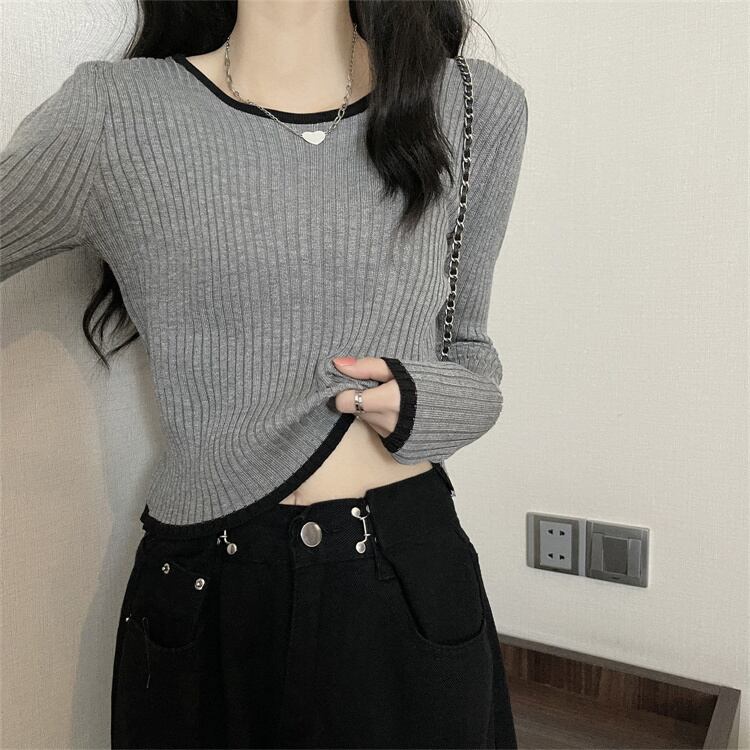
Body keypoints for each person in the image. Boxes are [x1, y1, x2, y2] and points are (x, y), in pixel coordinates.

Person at [0, 1, 528, 747]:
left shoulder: (470, 105)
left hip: (403, 581)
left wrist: (418, 401)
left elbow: (472, 357)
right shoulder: (114, 113)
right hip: (207, 589)